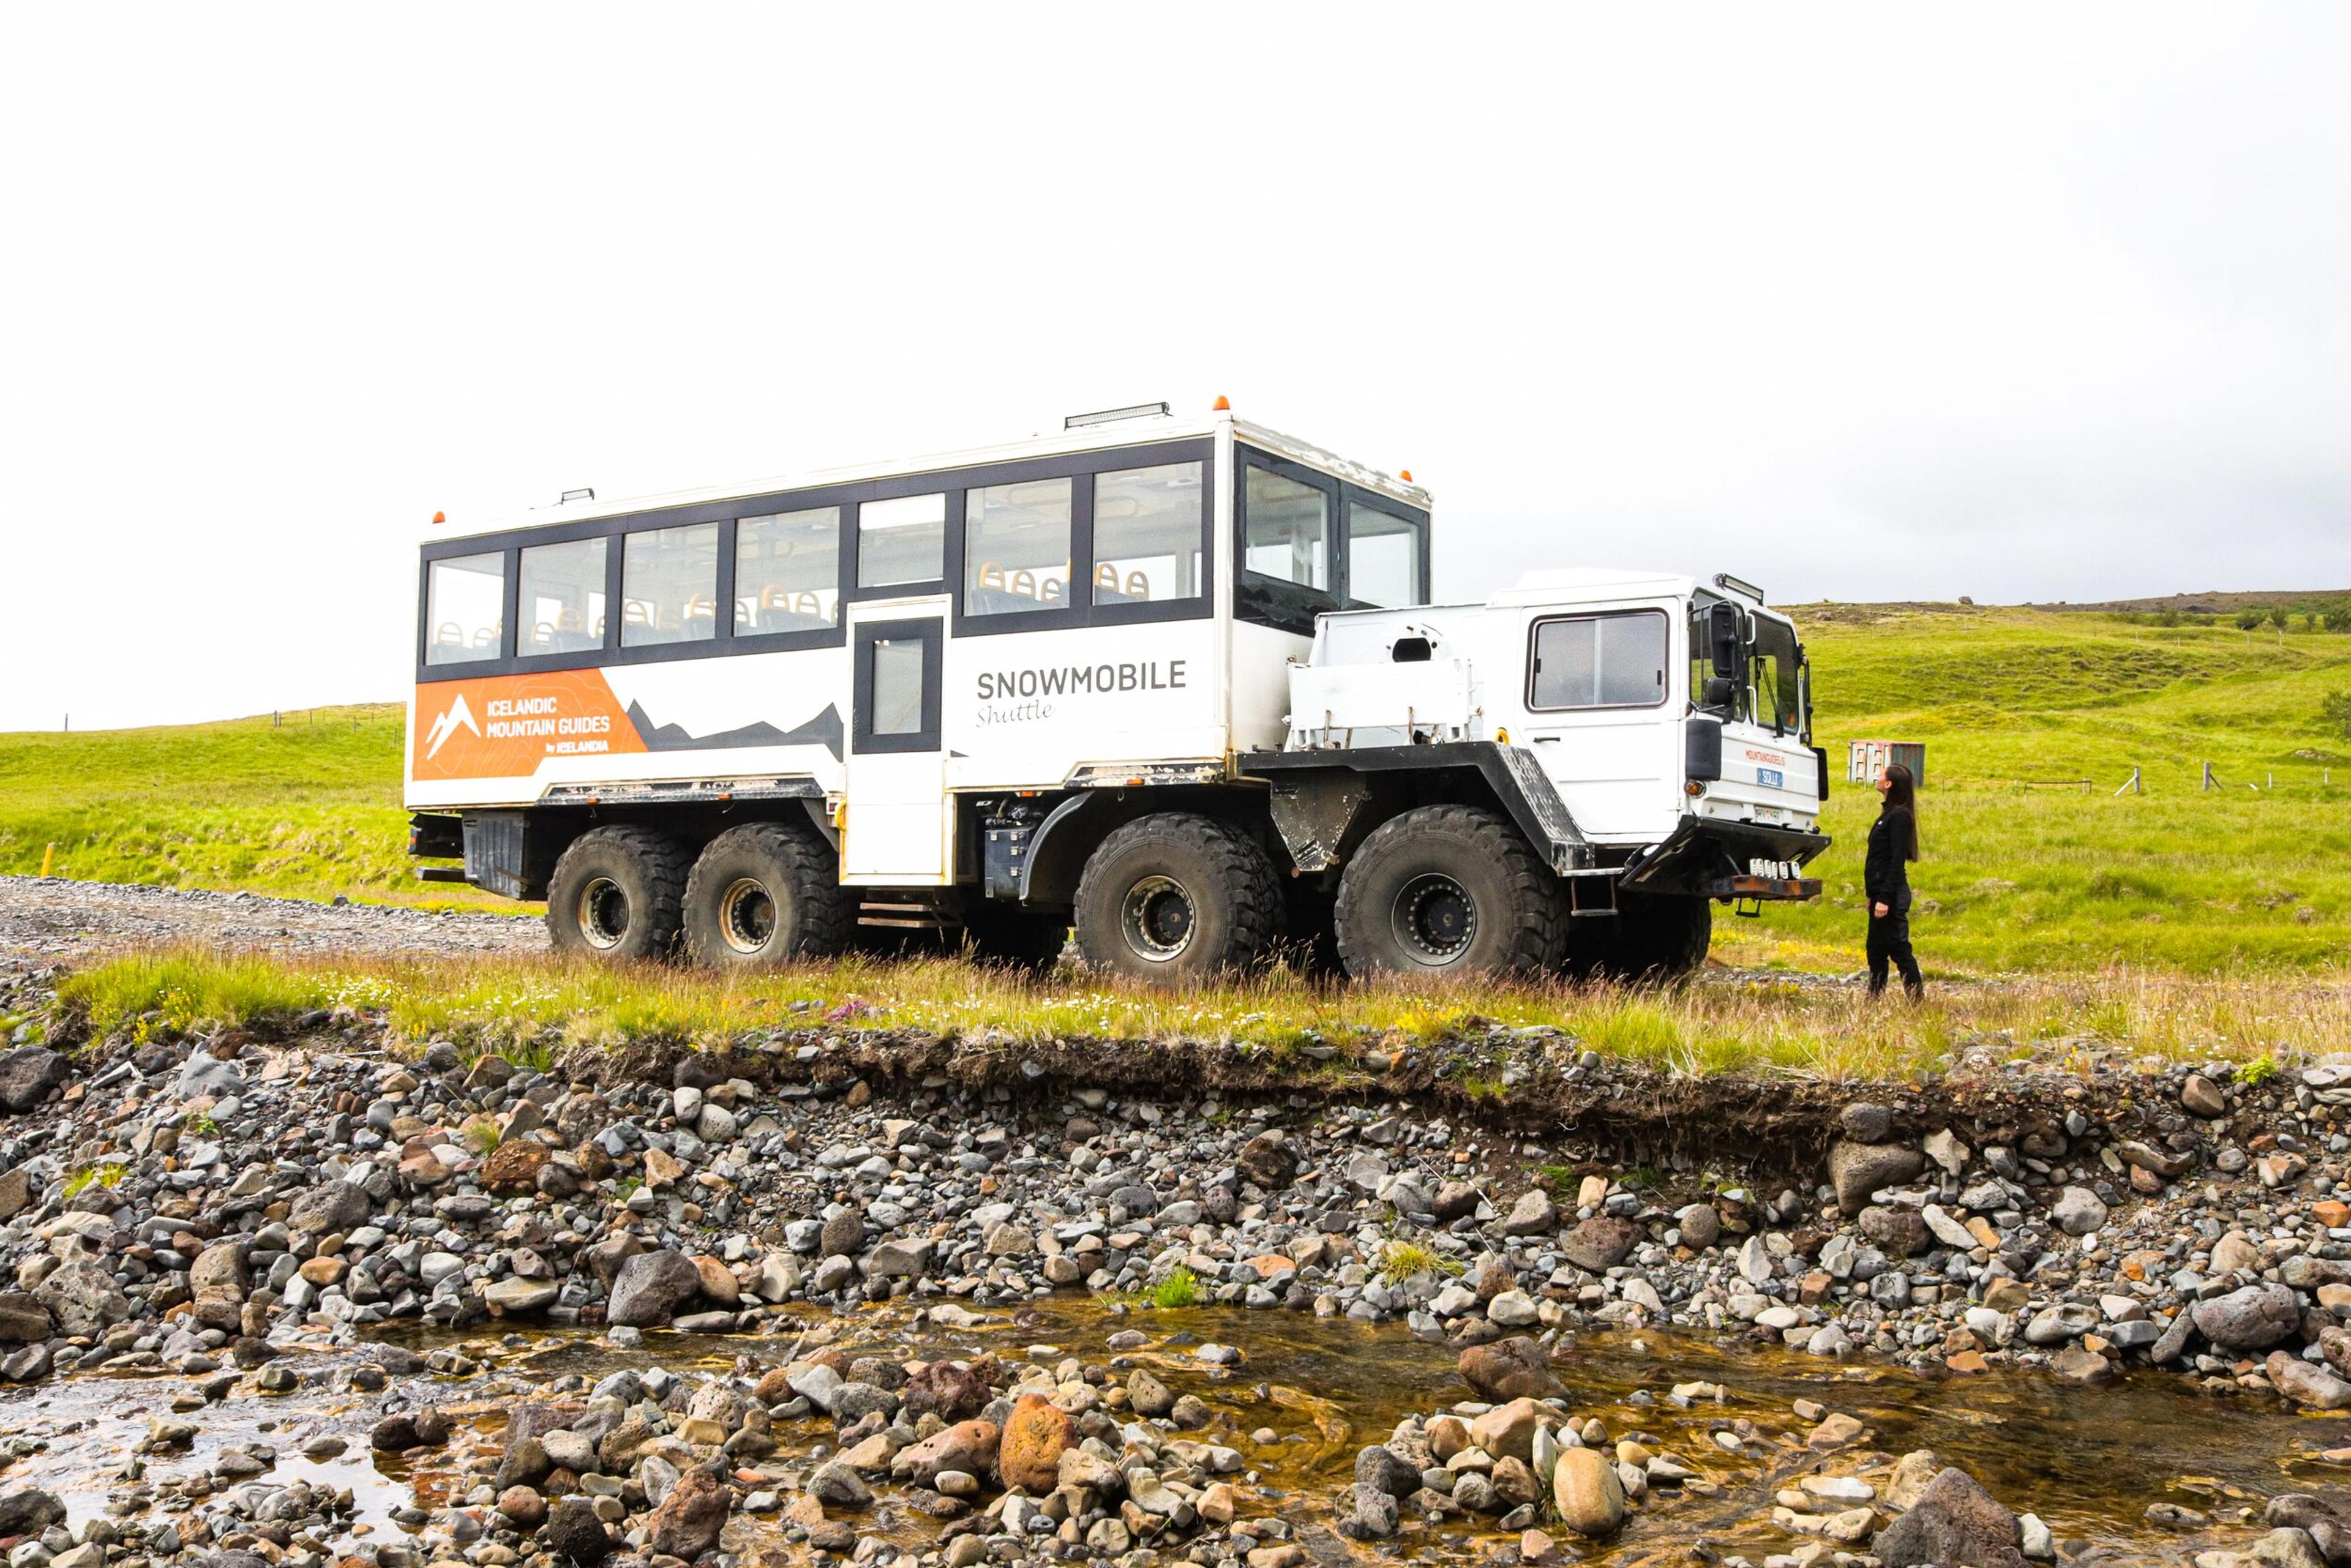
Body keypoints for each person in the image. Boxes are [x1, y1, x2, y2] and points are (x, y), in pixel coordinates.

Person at [1864, 761, 1924, 999]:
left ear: (1889, 784)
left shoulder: (1898, 816)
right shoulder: (1888, 814)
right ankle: (1874, 996)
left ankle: (1916, 997)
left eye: (1881, 775)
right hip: (1880, 893)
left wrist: (1885, 898)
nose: (1877, 777)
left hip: (1892, 894)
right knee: (1876, 948)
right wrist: (1873, 896)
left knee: (1898, 947)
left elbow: (1896, 860)